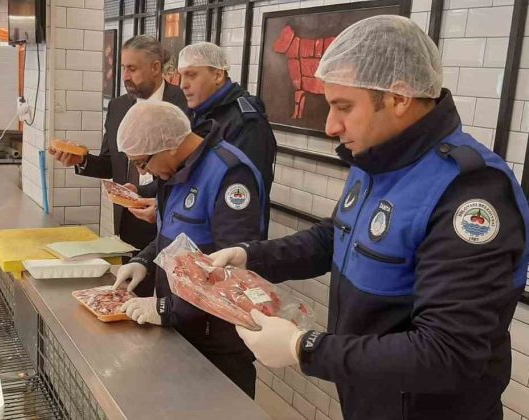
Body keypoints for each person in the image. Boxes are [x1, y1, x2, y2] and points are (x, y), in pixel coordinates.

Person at [210, 16, 529, 420]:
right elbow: (336, 236)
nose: (330, 126)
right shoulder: (379, 157)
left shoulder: (471, 191)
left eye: (344, 106)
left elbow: (449, 353)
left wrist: (304, 348)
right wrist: (251, 256)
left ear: (399, 98)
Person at [112, 101, 269, 399]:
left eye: (143, 163)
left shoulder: (229, 175)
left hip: (217, 344)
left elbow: (232, 273)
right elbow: (173, 235)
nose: (143, 173)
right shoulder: (172, 173)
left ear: (169, 145)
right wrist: (144, 260)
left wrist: (167, 309)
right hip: (179, 330)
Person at [49, 35, 187, 289]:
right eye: (123, 67)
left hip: (172, 218)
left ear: (156, 67)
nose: (124, 75)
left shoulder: (184, 104)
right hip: (130, 220)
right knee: (135, 296)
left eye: (132, 68)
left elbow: (192, 164)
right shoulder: (118, 107)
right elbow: (110, 164)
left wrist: (160, 201)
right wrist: (81, 160)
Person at [178, 42, 276, 231]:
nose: (183, 84)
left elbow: (241, 190)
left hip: (226, 230)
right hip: (190, 219)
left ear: (217, 75)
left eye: (191, 74)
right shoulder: (195, 113)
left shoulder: (246, 122)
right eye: (181, 76)